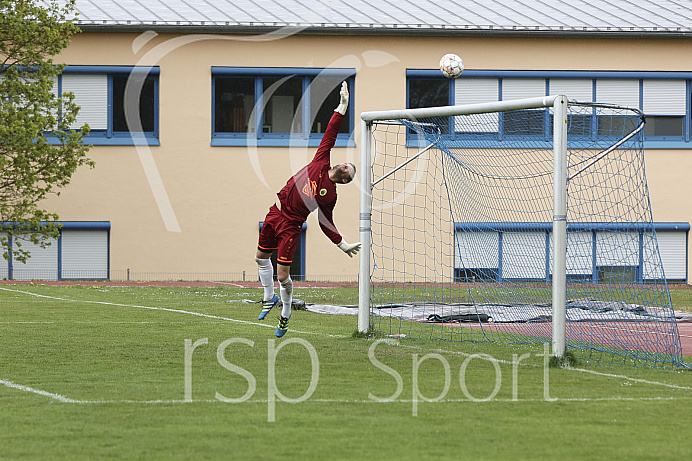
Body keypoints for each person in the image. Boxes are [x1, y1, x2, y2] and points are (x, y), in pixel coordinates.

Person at [255, 81, 360, 338]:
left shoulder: (330, 194)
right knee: (259, 257)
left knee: (282, 275)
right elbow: (331, 133)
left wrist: (342, 244)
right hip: (275, 211)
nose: (347, 165)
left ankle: (286, 313)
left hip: (291, 225)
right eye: (348, 164)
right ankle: (269, 298)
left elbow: (326, 222)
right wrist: (342, 107)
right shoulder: (322, 161)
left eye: (350, 169)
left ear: (345, 180)